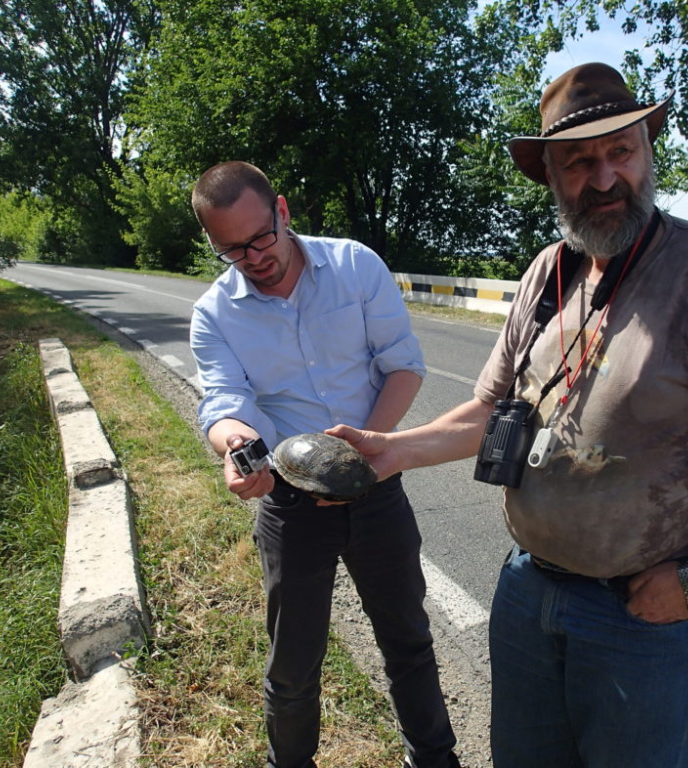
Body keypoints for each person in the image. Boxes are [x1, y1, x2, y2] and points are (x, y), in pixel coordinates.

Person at [329, 63, 688, 768]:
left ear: (648, 152)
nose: (603, 178)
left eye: (620, 152)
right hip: (527, 592)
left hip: (641, 622)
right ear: (552, 178)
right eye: (579, 162)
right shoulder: (547, 273)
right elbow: (493, 411)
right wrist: (391, 449)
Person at [189, 161, 459, 768]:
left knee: (409, 643)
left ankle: (436, 759)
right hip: (290, 503)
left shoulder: (355, 266)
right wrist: (235, 446)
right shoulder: (215, 313)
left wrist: (368, 447)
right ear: (213, 244)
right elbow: (226, 401)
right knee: (293, 661)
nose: (254, 257)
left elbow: (402, 365)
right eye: (232, 249)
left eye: (261, 237)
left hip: (375, 483)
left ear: (282, 211)